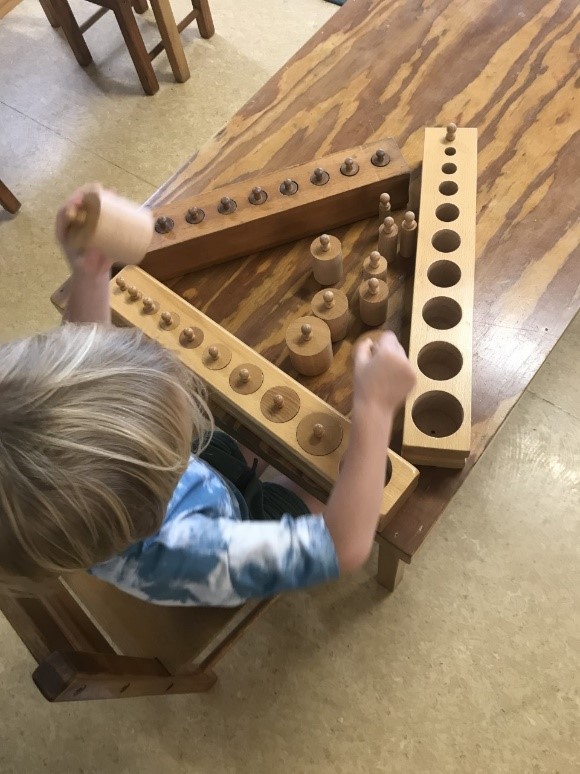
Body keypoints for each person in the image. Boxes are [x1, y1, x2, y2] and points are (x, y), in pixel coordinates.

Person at [0, 186, 416, 605]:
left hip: (190, 477)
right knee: (324, 492)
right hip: (232, 520)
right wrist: (374, 409)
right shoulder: (193, 553)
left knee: (230, 446)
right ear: (162, 459)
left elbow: (89, 356)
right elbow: (341, 546)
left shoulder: (68, 493)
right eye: (172, 409)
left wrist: (90, 272)